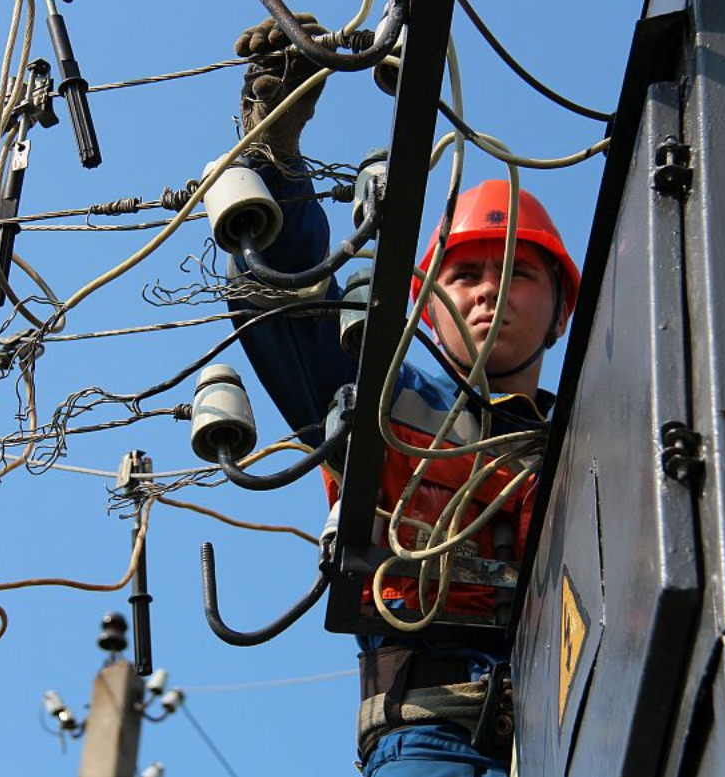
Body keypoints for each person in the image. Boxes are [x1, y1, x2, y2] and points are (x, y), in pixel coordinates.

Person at [228, 15, 580, 776]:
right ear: (424, 301)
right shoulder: (382, 394)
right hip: (431, 735)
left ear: (562, 308)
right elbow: (286, 311)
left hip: (584, 720)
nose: (491, 295)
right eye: (467, 275)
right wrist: (275, 161)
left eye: (517, 275)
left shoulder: (593, 435)